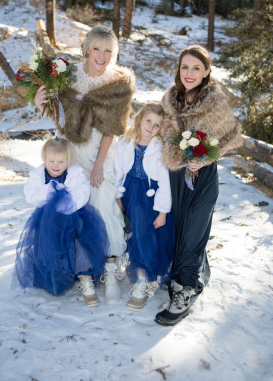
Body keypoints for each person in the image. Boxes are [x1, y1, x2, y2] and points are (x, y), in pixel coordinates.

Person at [34, 25, 135, 304]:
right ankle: (82, 271)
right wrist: (39, 100)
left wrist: (99, 165)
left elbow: (113, 129)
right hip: (72, 151)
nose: (102, 55)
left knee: (103, 203)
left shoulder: (119, 82)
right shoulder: (67, 74)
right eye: (97, 48)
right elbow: (57, 113)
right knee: (74, 207)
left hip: (101, 152)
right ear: (87, 49)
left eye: (108, 50)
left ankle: (111, 270)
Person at [155, 44, 243, 326]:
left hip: (202, 178)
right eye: (185, 67)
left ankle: (183, 293)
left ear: (206, 72)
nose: (189, 73)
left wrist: (204, 160)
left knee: (194, 232)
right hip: (175, 176)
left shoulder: (215, 102)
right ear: (178, 70)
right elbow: (160, 134)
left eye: (196, 68)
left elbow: (231, 136)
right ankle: (190, 275)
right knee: (180, 231)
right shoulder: (168, 100)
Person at [14, 138, 109, 307]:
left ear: (68, 161)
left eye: (61, 161)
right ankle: (53, 276)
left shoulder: (74, 174)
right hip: (47, 221)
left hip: (73, 216)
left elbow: (83, 193)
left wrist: (66, 204)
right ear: (44, 159)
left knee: (79, 243)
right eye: (51, 161)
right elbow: (30, 194)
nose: (55, 165)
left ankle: (84, 276)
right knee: (49, 247)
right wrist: (51, 194)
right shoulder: (38, 175)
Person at [115, 103, 174, 310]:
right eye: (148, 121)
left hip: (151, 195)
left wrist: (162, 212)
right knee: (134, 233)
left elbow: (165, 181)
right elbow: (118, 172)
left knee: (145, 232)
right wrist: (117, 196)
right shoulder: (124, 142)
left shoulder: (160, 148)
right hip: (130, 191)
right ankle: (141, 271)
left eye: (157, 125)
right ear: (139, 119)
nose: (151, 127)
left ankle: (144, 277)